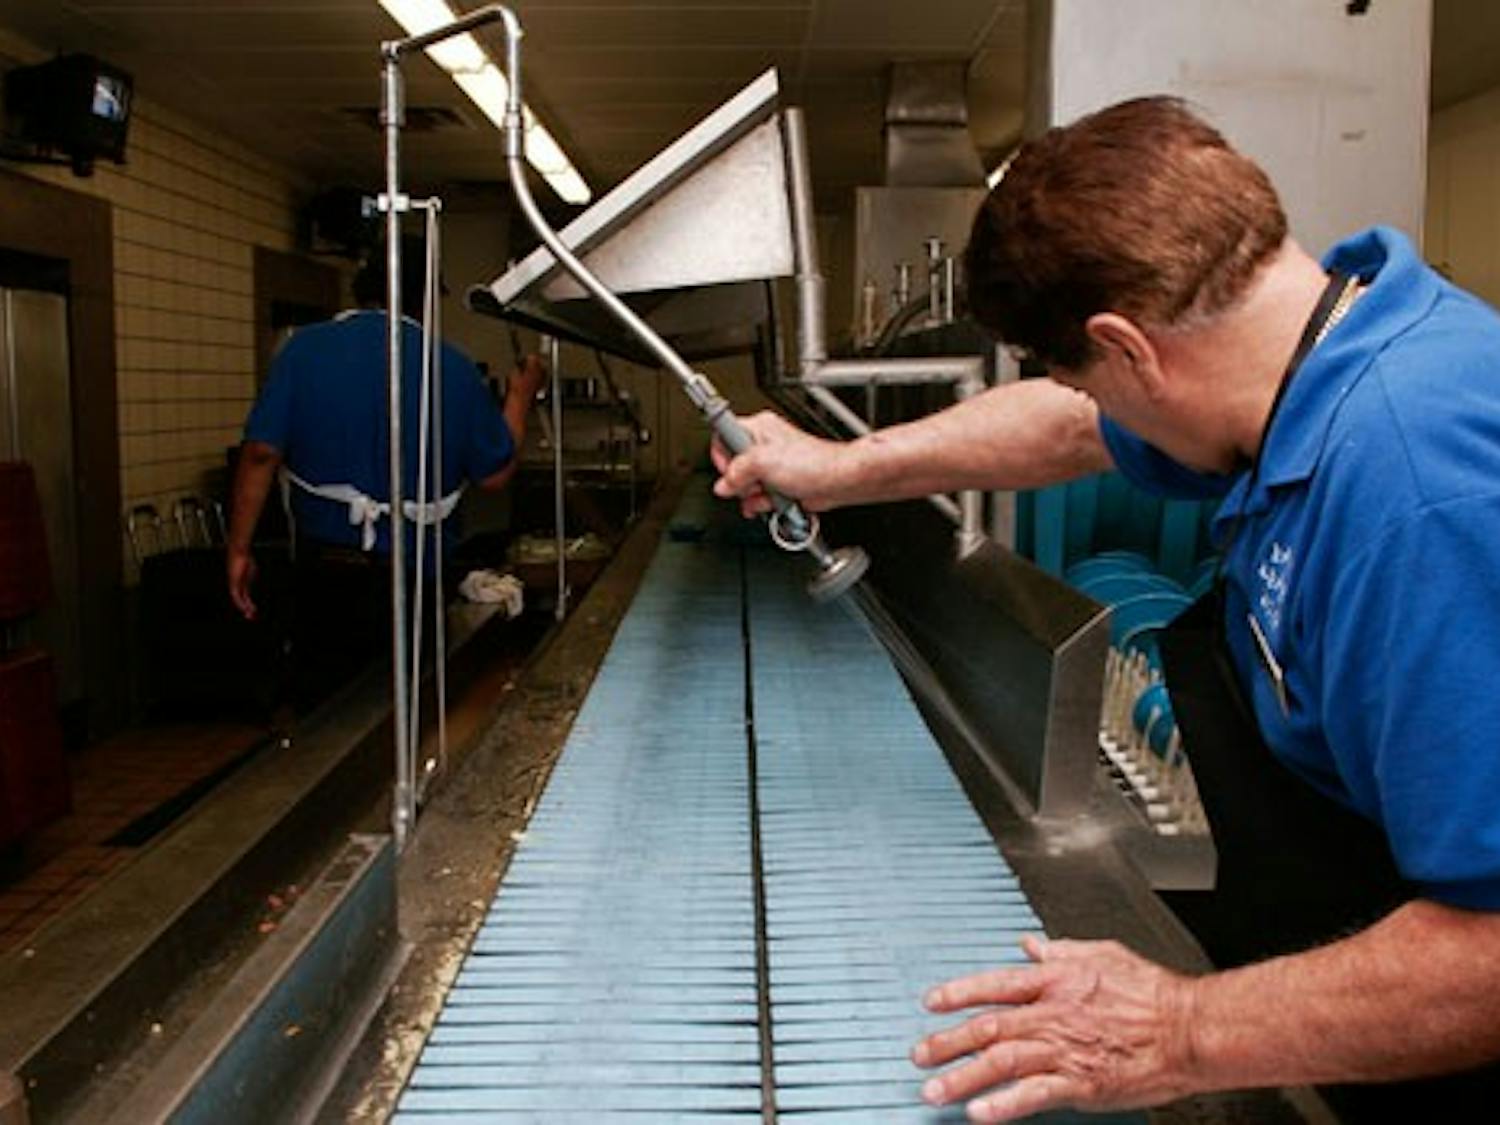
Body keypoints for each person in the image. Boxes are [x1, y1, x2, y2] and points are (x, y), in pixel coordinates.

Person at [712, 96, 1500, 1123]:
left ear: (1129, 346)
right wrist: (840, 469)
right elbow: (1073, 428)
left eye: (1093, 376)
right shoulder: (1316, 352)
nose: (1101, 414)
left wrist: (1176, 1031)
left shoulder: (1420, 493)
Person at [227, 249, 544, 707]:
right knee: (410, 712)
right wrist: (520, 397)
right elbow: (494, 475)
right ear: (426, 301)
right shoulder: (451, 366)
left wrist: (239, 548)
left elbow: (260, 454)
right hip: (415, 576)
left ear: (360, 289)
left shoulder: (302, 350)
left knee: (327, 715)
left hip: (327, 574)